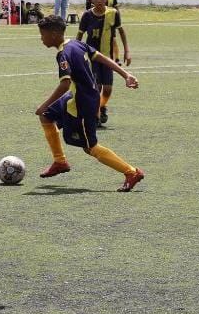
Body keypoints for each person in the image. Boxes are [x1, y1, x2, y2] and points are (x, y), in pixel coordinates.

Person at [35, 15, 144, 192]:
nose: (41, 39)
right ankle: (60, 161)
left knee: (89, 147)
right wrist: (126, 74)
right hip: (77, 96)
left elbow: (64, 83)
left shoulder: (63, 54)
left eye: (42, 35)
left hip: (82, 103)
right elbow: (99, 56)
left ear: (54, 34)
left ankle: (131, 172)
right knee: (46, 117)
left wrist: (45, 103)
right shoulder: (75, 44)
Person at [76, 0, 129, 127]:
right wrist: (75, 52)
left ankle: (102, 106)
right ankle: (96, 114)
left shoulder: (113, 14)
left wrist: (127, 52)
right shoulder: (87, 15)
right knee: (96, 87)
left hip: (107, 58)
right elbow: (80, 36)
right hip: (92, 57)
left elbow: (121, 32)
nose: (99, 1)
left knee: (107, 89)